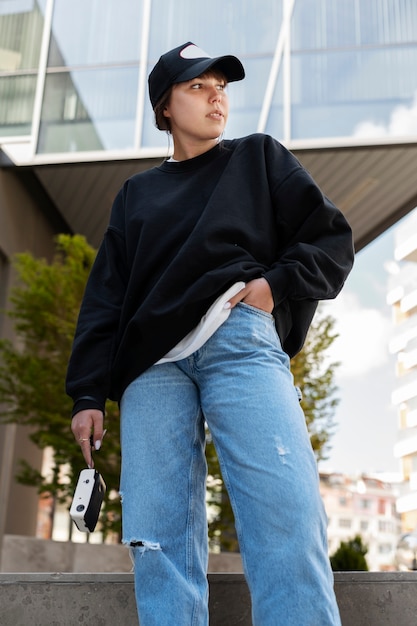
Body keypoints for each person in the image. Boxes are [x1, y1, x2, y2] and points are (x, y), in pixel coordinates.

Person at [67, 41, 354, 626]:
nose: (216, 95)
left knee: (285, 515)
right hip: (151, 369)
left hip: (239, 343)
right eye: (197, 86)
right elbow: (106, 298)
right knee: (157, 539)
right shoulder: (136, 195)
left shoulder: (258, 158)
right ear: (165, 107)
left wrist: (272, 288)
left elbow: (330, 238)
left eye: (221, 85)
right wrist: (88, 394)